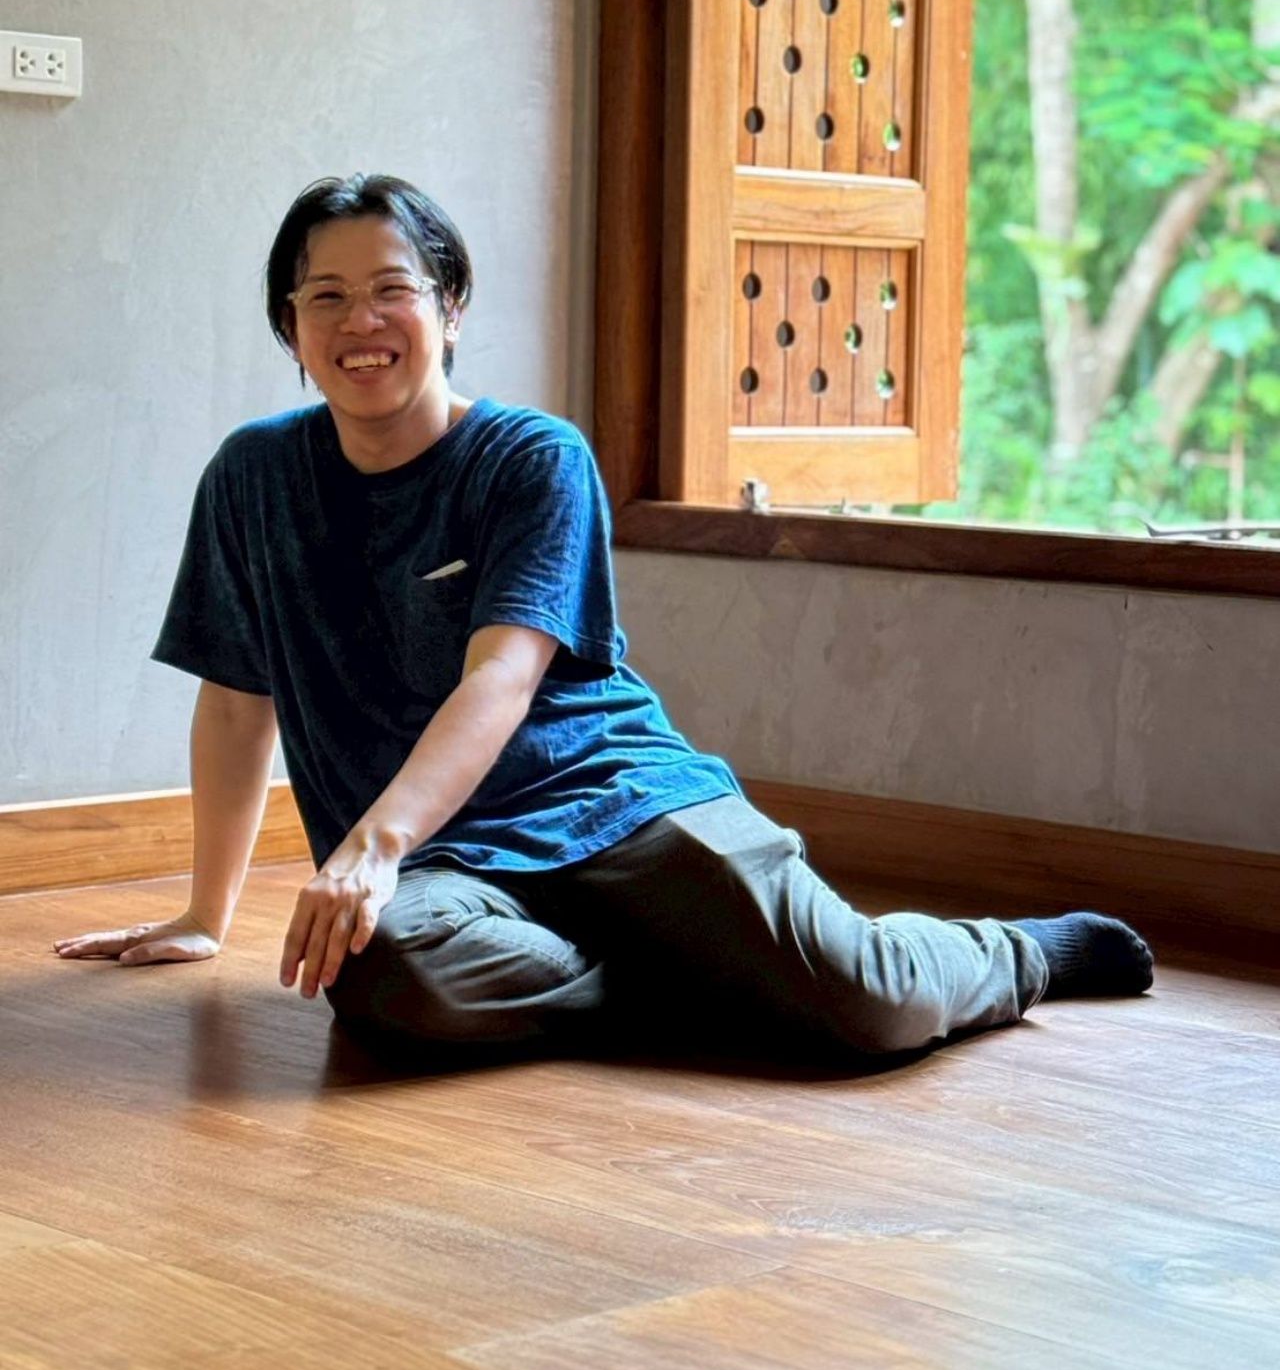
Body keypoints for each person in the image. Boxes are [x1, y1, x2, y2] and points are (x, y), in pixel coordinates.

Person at [54, 174, 1155, 1061]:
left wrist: (371, 844)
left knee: (867, 1006)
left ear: (449, 305)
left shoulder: (531, 458)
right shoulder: (251, 477)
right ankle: (684, 973)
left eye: (392, 288)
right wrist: (205, 913)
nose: (361, 322)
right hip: (450, 860)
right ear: (289, 325)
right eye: (325, 297)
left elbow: (502, 676)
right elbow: (236, 699)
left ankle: (1016, 955)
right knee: (383, 980)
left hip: (613, 800)